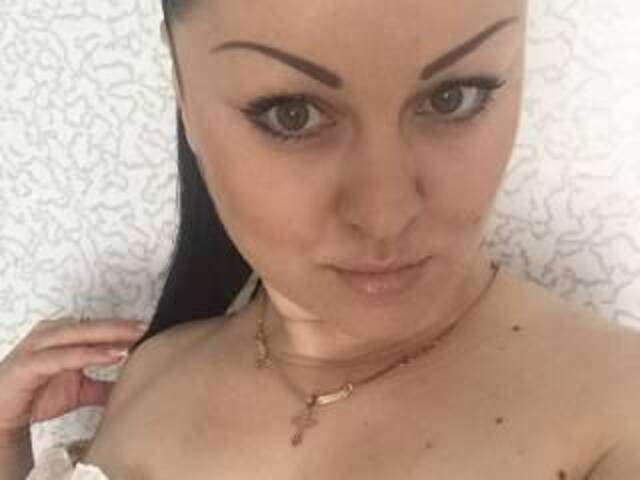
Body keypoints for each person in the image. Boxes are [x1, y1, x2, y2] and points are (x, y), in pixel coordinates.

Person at [4, 0, 640, 477]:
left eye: (454, 97)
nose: (385, 215)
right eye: (293, 114)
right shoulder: (151, 373)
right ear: (181, 88)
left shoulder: (617, 413)